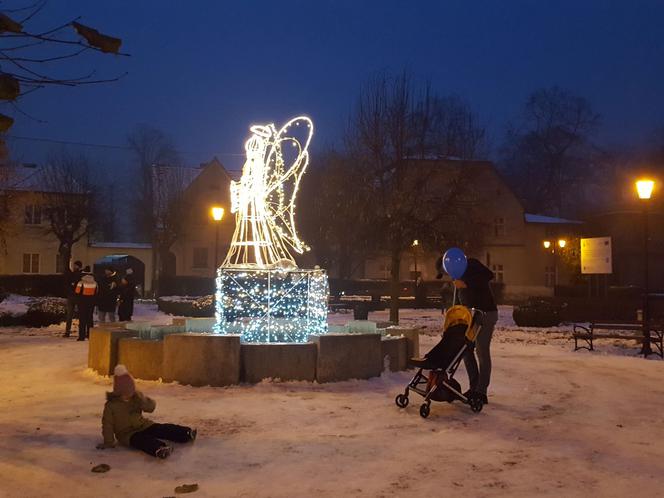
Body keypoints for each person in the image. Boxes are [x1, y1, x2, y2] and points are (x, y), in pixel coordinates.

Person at [96, 365, 197, 459]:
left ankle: (185, 433)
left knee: (161, 429)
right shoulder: (111, 405)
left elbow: (151, 408)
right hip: (127, 434)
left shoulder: (136, 398)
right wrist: (108, 442)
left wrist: (143, 400)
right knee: (142, 440)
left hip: (143, 425)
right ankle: (159, 449)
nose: (129, 395)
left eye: (131, 391)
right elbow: (107, 425)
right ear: (118, 392)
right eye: (126, 393)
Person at [74, 266, 98, 341]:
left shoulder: (81, 282)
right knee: (90, 319)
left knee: (82, 319)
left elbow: (77, 291)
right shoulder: (95, 282)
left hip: (82, 302)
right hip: (91, 302)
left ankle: (82, 336)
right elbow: (96, 292)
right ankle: (90, 335)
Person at [63, 259, 83, 338]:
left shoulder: (79, 275)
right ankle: (67, 331)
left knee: (79, 315)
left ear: (79, 266)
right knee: (70, 315)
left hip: (77, 297)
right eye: (74, 265)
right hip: (72, 297)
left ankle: (80, 332)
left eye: (76, 265)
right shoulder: (72, 274)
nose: (74, 267)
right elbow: (67, 284)